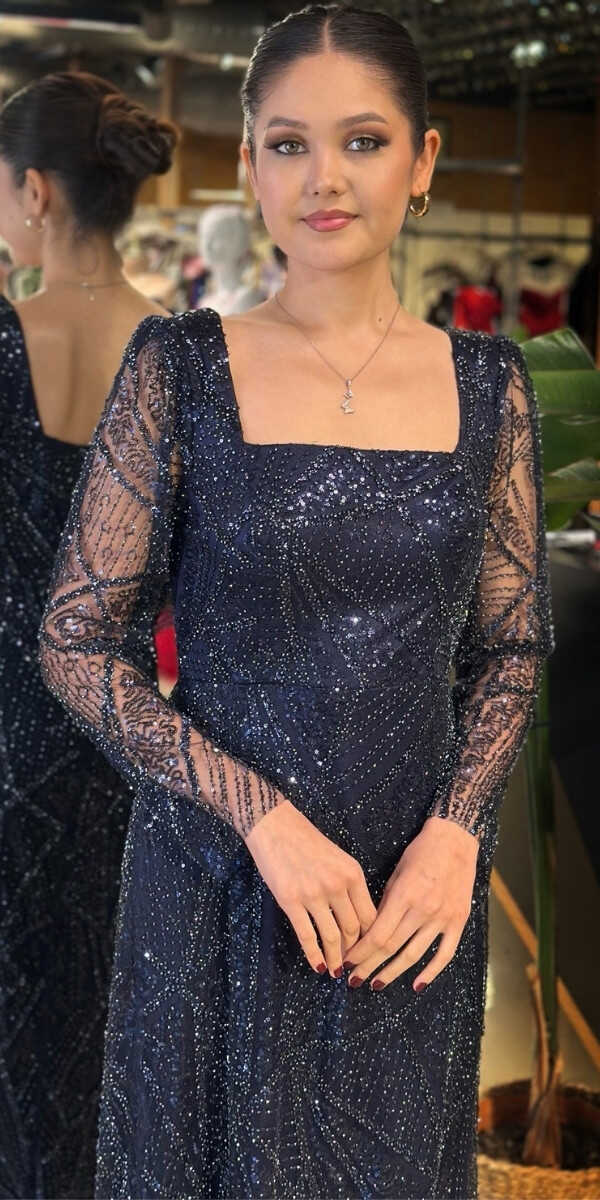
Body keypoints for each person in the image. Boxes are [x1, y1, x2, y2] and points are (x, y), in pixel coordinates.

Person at [40, 7, 554, 1198]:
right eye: (288, 144)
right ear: (249, 165)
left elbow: (512, 642)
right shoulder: (180, 365)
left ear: (422, 161)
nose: (325, 177)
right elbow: (76, 638)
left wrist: (457, 833)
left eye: (363, 141)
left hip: (407, 901)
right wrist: (260, 818)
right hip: (218, 882)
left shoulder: (491, 384)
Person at [0, 71, 177, 1198]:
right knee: (103, 1038)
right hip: (125, 748)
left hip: (4, 740)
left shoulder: (4, 339)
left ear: (33, 190)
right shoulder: (187, 357)